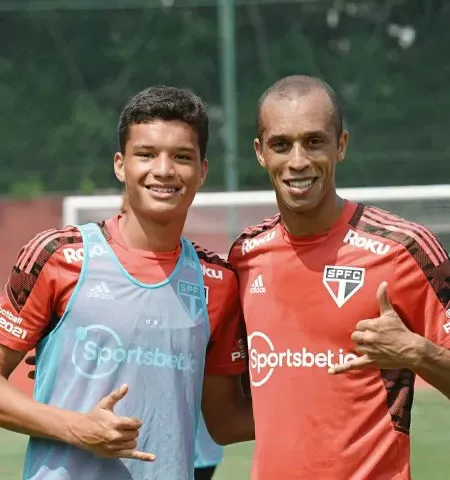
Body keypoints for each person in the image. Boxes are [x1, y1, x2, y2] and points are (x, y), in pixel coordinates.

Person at [0, 85, 253, 480]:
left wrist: (340, 390)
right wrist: (76, 428)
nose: (164, 170)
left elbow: (225, 422)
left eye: (182, 157)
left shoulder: (218, 283)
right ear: (121, 165)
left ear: (202, 170)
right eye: (147, 154)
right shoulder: (57, 256)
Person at [228, 75, 450, 480]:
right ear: (260, 153)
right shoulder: (245, 255)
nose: (298, 161)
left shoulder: (404, 249)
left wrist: (416, 352)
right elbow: (228, 416)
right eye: (282, 144)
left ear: (341, 145)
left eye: (314, 142)